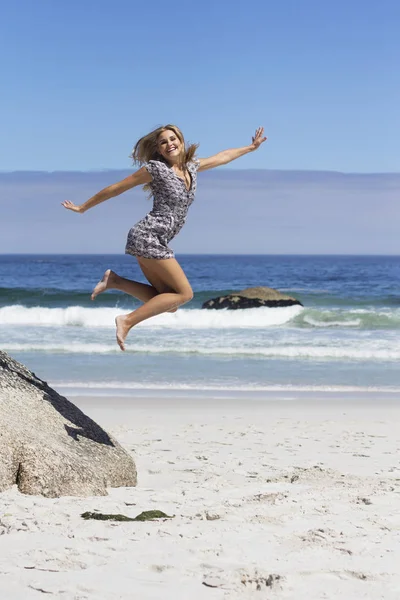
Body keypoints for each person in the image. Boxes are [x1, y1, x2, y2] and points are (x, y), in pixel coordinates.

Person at [62, 125, 267, 350]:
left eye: (173, 138)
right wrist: (83, 207)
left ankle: (115, 281)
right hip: (147, 236)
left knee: (169, 303)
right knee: (185, 293)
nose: (169, 144)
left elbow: (222, 157)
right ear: (158, 149)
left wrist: (250, 148)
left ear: (181, 141)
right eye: (163, 142)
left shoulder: (192, 167)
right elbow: (117, 188)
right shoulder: (155, 169)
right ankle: (127, 321)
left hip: (158, 240)